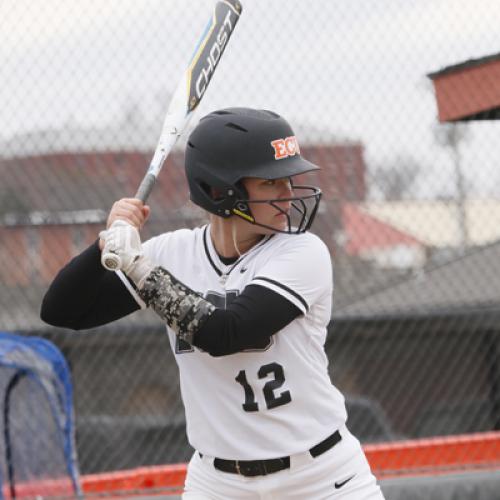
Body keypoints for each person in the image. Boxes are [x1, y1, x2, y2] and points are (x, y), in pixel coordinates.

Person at [41, 107, 385, 499]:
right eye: (272, 183)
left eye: (290, 179)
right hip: (218, 483)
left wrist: (137, 267)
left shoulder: (302, 253)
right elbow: (62, 311)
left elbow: (227, 332)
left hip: (320, 479)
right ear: (222, 191)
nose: (289, 195)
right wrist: (103, 244)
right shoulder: (171, 253)